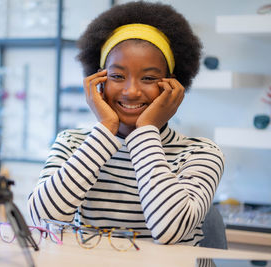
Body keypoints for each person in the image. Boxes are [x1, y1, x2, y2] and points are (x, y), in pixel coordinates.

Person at [27, 1, 224, 246]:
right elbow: (42, 218)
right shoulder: (72, 142)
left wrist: (145, 132)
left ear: (172, 85)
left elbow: (170, 230)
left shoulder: (199, 153)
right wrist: (106, 129)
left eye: (149, 78)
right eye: (117, 76)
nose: (131, 92)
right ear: (98, 80)